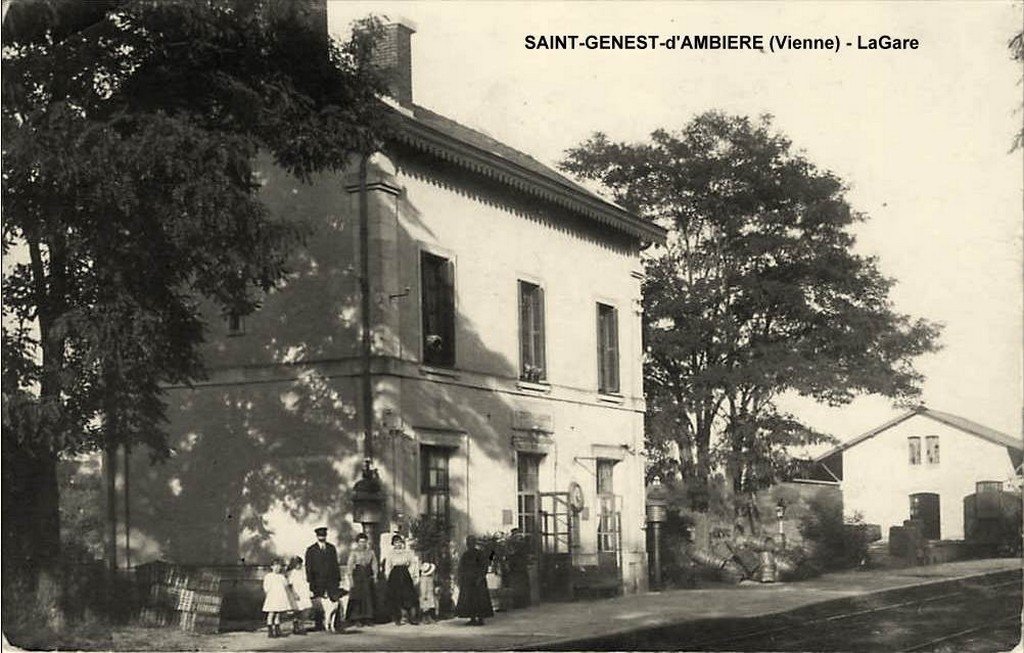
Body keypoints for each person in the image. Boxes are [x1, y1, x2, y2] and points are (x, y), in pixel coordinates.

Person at [305, 526, 342, 632]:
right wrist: (310, 582)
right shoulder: (311, 550)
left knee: (333, 602)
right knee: (319, 604)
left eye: (324, 535)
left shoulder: (331, 548)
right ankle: (318, 624)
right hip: (317, 581)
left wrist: (338, 579)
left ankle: (335, 624)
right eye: (320, 536)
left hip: (331, 580)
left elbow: (335, 564)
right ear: (317, 536)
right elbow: (309, 567)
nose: (322, 537)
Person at [455, 535, 494, 626]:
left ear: (474, 543)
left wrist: (480, 577)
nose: (469, 545)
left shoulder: (480, 554)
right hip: (468, 581)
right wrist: (461, 577)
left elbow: (484, 566)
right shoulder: (465, 555)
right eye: (468, 543)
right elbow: (461, 567)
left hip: (478, 581)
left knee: (480, 600)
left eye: (471, 542)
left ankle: (480, 619)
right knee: (469, 600)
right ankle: (472, 618)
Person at [382, 534, 419, 625]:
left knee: (408, 596)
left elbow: (412, 563)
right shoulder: (390, 554)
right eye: (396, 542)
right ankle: (397, 617)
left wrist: (411, 573)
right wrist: (388, 576)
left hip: (405, 574)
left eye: (399, 542)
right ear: (393, 544)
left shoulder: (407, 552)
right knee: (396, 596)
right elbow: (388, 566)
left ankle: (411, 617)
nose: (398, 544)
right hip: (395, 575)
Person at [345, 532, 378, 627]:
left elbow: (374, 564)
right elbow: (350, 566)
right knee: (357, 597)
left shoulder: (371, 552)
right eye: (360, 542)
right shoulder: (354, 552)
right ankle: (356, 619)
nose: (362, 544)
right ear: (357, 542)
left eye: (364, 542)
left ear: (367, 542)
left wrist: (375, 575)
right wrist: (350, 579)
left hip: (367, 576)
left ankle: (368, 618)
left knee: (368, 597)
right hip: (357, 576)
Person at [262, 558, 291, 638]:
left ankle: (277, 630)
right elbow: (266, 587)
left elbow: (286, 585)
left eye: (279, 566)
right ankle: (270, 631)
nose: (277, 568)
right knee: (271, 613)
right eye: (275, 566)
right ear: (272, 567)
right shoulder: (268, 576)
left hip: (280, 597)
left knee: (278, 614)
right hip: (272, 597)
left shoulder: (281, 577)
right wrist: (268, 593)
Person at [286, 556, 312, 635]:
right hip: (296, 593)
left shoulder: (304, 571)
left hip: (304, 592)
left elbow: (307, 581)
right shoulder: (292, 573)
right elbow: (290, 585)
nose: (299, 565)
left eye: (300, 563)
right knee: (297, 610)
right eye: (297, 564)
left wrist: (310, 591)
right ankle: (296, 626)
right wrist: (294, 593)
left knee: (307, 608)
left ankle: (301, 624)